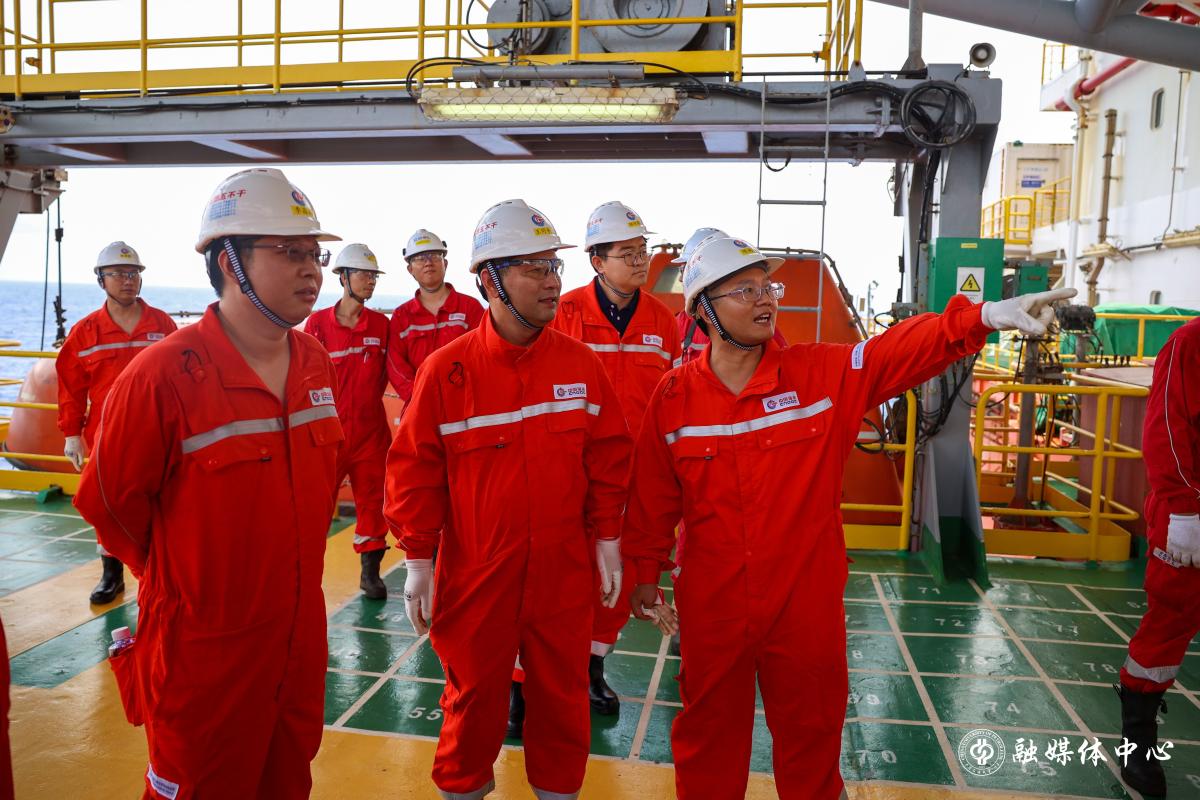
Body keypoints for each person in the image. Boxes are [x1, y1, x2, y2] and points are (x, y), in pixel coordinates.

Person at [622, 233, 1076, 800]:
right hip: (713, 604)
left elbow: (893, 351)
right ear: (704, 311)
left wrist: (982, 317)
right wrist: (643, 572)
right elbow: (653, 498)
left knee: (811, 738)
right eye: (745, 290)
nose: (765, 300)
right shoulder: (673, 400)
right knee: (708, 739)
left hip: (804, 604)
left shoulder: (819, 375)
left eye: (768, 287)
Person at [73, 168, 343, 799]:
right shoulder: (161, 375)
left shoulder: (314, 363)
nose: (312, 270)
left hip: (298, 637)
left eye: (315, 254)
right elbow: (109, 504)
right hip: (203, 648)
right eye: (290, 252)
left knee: (287, 779)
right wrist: (186, 581)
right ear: (230, 262)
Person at [385, 199, 632, 800]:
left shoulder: (581, 366)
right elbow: (415, 470)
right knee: (472, 701)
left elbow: (608, 459)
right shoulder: (446, 373)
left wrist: (608, 538)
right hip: (477, 576)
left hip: (562, 575)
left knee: (563, 701)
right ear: (490, 280)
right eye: (535, 268)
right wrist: (418, 560)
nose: (553, 283)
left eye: (555, 267)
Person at [530, 200, 679, 725]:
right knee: (551, 576)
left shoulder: (664, 321)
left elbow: (672, 397)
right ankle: (523, 681)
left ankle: (592, 668)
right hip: (567, 471)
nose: (640, 262)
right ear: (597, 261)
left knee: (616, 578)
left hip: (633, 475)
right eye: (628, 253)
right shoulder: (562, 313)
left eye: (643, 251)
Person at [55, 241, 177, 605]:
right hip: (106, 435)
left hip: (158, 431)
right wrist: (71, 434)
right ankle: (112, 575)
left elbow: (181, 377)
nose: (128, 280)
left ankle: (162, 574)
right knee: (108, 503)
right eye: (119, 274)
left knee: (164, 503)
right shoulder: (85, 332)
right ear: (101, 280)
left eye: (133, 273)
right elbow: (71, 387)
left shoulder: (162, 325)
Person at [1115, 316, 1200, 797]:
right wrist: (1185, 509)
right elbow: (1166, 427)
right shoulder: (1190, 343)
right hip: (1190, 516)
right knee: (1167, 626)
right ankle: (1138, 742)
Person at [304, 243, 392, 599]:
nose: (370, 281)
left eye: (373, 276)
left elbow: (393, 370)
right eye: (363, 275)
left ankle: (370, 574)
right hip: (329, 433)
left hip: (371, 432)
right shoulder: (318, 324)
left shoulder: (381, 326)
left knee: (374, 501)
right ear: (343, 278)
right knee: (316, 503)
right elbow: (305, 378)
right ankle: (306, 570)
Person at [387, 229, 484, 404]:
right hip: (420, 405)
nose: (428, 262)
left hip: (465, 404)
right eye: (419, 258)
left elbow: (483, 356)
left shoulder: (470, 308)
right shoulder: (402, 316)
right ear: (410, 269)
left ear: (445, 263)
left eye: (434, 256)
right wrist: (420, 399)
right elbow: (396, 366)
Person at [670, 228, 786, 367]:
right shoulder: (679, 323)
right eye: (748, 290)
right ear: (705, 312)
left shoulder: (759, 328)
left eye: (686, 269)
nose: (682, 278)